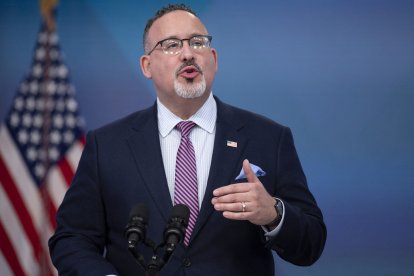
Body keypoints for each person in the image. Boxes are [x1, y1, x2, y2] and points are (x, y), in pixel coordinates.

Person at [49, 4, 326, 276]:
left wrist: (274, 214)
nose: (187, 53)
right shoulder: (107, 146)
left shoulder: (268, 138)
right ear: (147, 65)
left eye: (197, 42)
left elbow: (311, 243)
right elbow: (72, 239)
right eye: (171, 44)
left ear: (214, 59)